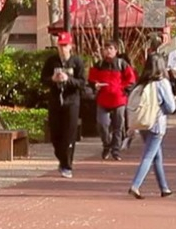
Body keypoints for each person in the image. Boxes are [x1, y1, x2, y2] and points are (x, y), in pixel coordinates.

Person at [127, 34, 175, 199]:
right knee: (149, 155)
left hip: (143, 122)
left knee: (156, 155)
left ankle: (164, 187)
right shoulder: (162, 83)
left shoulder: (142, 82)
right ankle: (135, 185)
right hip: (157, 123)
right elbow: (171, 107)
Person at [41, 32, 86, 178]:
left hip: (72, 102)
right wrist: (53, 79)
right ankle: (61, 158)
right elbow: (43, 79)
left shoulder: (77, 62)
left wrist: (68, 79)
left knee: (69, 135)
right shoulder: (52, 61)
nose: (62, 49)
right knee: (55, 136)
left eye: (65, 45)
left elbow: (82, 83)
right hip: (55, 101)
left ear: (70, 46)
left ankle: (67, 165)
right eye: (60, 46)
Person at [90, 40, 137, 161]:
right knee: (102, 124)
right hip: (103, 99)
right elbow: (91, 79)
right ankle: (106, 145)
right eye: (106, 49)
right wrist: (95, 85)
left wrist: (123, 90)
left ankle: (116, 150)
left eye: (111, 48)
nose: (108, 51)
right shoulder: (99, 65)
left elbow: (131, 79)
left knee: (118, 126)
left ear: (116, 50)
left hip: (118, 100)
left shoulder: (122, 64)